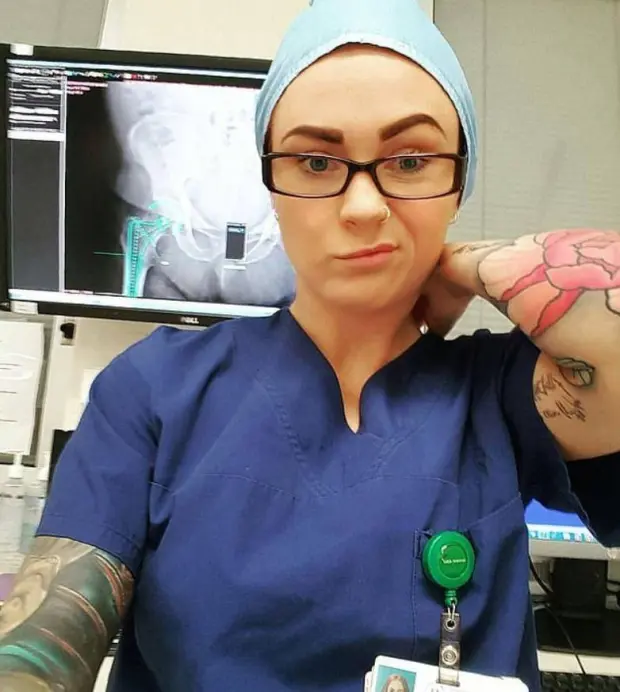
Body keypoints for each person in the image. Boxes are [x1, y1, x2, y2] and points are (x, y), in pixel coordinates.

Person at [1, 0, 619, 690]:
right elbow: (45, 636)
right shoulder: (154, 391)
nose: (363, 207)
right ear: (272, 187)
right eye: (317, 161)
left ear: (458, 181)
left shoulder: (498, 394)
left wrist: (466, 265)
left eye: (411, 160)